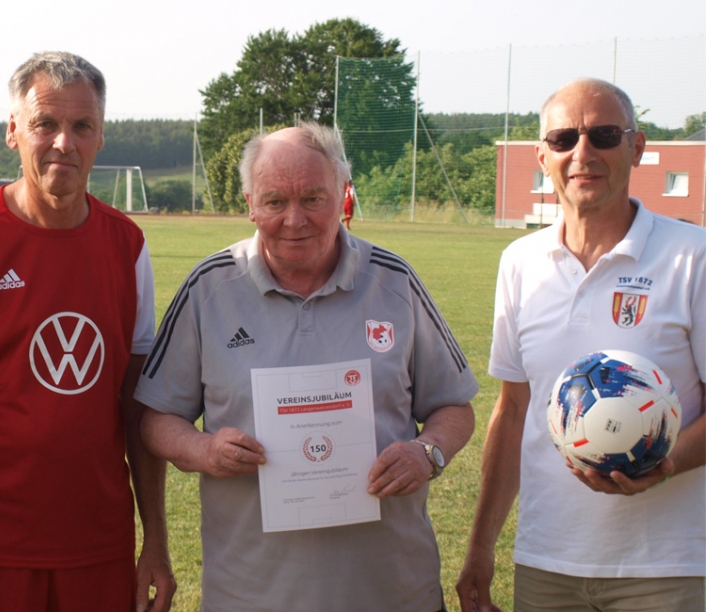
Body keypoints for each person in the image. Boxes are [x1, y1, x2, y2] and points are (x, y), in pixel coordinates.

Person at [135, 122, 478, 611]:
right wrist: (202, 448)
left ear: (342, 195)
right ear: (250, 203)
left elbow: (454, 406)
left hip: (392, 592)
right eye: (275, 201)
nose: (294, 219)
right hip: (250, 594)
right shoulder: (208, 289)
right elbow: (154, 418)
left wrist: (428, 452)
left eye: (313, 198)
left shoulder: (394, 282)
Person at [0, 51, 175, 612]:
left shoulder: (128, 245)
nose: (63, 143)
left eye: (81, 127)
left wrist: (158, 540)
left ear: (100, 137)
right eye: (46, 123)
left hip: (100, 544)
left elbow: (138, 404)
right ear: (13, 132)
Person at [456, 78, 706, 612]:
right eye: (565, 138)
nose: (583, 154)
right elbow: (514, 409)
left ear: (636, 147)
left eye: (604, 135)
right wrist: (480, 546)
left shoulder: (693, 257)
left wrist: (662, 464)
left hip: (665, 566)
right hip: (547, 564)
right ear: (542, 155)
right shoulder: (520, 263)